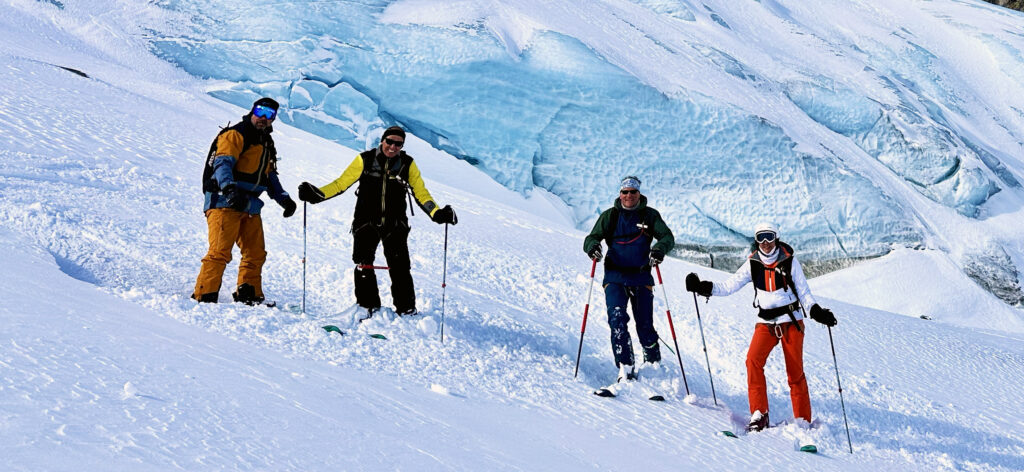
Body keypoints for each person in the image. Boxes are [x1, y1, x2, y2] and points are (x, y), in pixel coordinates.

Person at [685, 222, 837, 432]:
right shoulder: (753, 263)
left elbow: (804, 294)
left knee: (795, 372)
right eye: (760, 238)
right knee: (753, 362)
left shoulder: (790, 262)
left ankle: (802, 419)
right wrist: (703, 287)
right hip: (766, 322)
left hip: (791, 321)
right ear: (756, 241)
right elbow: (729, 286)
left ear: (776, 237)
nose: (765, 243)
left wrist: (816, 312)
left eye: (769, 237)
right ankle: (759, 413)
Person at [297, 126, 457, 320]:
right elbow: (341, 184)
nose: (393, 146)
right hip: (366, 222)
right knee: (363, 264)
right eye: (390, 141)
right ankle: (367, 305)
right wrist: (317, 194)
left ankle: (406, 309)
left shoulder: (407, 164)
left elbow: (421, 193)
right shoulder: (364, 159)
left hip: (396, 224)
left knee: (400, 268)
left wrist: (436, 213)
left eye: (398, 143)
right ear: (382, 140)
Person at [192, 97, 297, 305]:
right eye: (261, 112)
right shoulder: (236, 134)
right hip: (224, 202)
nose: (264, 118)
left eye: (270, 115)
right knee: (220, 251)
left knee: (255, 252)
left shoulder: (266, 142)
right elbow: (222, 164)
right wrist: (230, 190)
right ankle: (205, 294)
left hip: (249, 205)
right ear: (252, 111)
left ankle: (248, 293)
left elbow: (269, 175)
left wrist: (283, 199)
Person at [583, 176, 675, 383]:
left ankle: (652, 361)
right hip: (615, 277)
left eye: (632, 192)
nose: (628, 196)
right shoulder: (610, 216)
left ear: (639, 194)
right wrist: (593, 248)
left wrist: (659, 250)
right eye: (625, 192)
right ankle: (625, 364)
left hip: (641, 276)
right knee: (617, 319)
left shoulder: (650, 216)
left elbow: (667, 237)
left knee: (644, 324)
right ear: (620, 194)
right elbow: (591, 238)